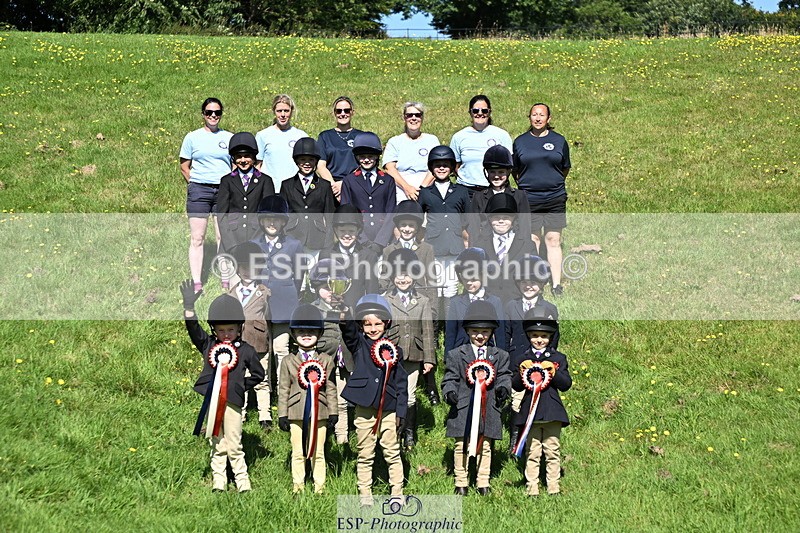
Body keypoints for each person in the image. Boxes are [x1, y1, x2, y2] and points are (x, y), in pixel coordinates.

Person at [181, 283, 264, 493]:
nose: (226, 334)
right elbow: (194, 331)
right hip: (213, 400)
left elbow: (258, 374)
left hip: (234, 403)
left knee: (234, 443)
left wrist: (241, 386)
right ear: (214, 330)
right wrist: (189, 308)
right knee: (216, 442)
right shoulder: (209, 345)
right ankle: (219, 480)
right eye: (221, 330)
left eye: (230, 330)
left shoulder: (246, 350)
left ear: (239, 328)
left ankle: (242, 480)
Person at [339, 294, 408, 507]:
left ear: (386, 323)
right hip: (364, 408)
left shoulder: (395, 351)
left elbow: (401, 383)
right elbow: (348, 332)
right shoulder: (359, 344)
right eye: (367, 324)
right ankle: (365, 494)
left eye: (378, 323)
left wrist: (401, 412)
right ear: (361, 325)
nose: (373, 328)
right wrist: (344, 314)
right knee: (365, 452)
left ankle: (397, 492)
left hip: (388, 408)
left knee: (392, 451)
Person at [442, 300, 511, 496]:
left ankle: (483, 482)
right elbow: (450, 377)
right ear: (467, 331)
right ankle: (461, 481)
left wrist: (503, 389)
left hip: (488, 408)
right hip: (463, 408)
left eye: (485, 332)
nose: (480, 336)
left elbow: (504, 375)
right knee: (460, 446)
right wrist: (449, 392)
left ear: (492, 333)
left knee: (486, 446)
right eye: (474, 332)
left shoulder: (500, 355)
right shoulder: (456, 354)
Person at [380, 200, 440, 405]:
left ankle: (431, 386)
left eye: (411, 225)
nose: (407, 229)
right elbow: (385, 279)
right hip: (398, 301)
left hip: (420, 302)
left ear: (417, 228)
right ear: (397, 227)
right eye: (403, 225)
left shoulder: (426, 249)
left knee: (426, 342)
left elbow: (431, 281)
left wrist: (432, 309)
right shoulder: (389, 250)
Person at [512, 103, 571, 295]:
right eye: (534, 115)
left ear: (549, 118)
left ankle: (556, 285)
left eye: (542, 115)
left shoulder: (559, 140)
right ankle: (535, 281)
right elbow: (516, 170)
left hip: (554, 197)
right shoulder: (520, 142)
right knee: (533, 239)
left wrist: (551, 183)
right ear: (529, 118)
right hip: (529, 199)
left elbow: (565, 168)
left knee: (553, 239)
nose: (538, 118)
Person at [278, 304, 337, 495]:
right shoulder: (288, 361)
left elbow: (331, 388)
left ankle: (320, 486)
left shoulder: (326, 360)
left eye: (311, 331)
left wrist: (334, 412)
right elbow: (284, 388)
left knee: (318, 451)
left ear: (319, 334)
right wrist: (282, 414)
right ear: (294, 334)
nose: (306, 335)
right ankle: (298, 485)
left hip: (320, 411)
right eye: (301, 331)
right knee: (297, 450)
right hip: (295, 411)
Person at [503, 254, 559, 453]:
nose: (529, 286)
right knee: (517, 403)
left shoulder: (549, 308)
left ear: (542, 284)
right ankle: (515, 439)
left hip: (541, 366)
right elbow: (504, 335)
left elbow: (554, 340)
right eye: (524, 282)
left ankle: (535, 438)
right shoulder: (510, 306)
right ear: (518, 283)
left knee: (535, 401)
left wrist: (549, 362)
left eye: (534, 282)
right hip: (517, 363)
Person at [511, 314, 571, 496]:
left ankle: (554, 487)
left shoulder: (558, 358)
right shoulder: (522, 358)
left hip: (552, 412)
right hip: (530, 413)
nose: (539, 339)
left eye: (544, 336)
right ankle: (532, 487)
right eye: (535, 335)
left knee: (552, 450)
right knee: (533, 452)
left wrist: (554, 372)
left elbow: (566, 384)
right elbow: (515, 385)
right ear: (528, 336)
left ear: (551, 337)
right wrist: (521, 373)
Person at [251, 195, 305, 396]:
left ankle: (284, 395)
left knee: (281, 350)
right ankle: (263, 397)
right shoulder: (253, 244)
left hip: (284, 303)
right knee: (262, 352)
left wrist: (289, 290)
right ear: (261, 221)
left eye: (276, 219)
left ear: (283, 221)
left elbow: (299, 275)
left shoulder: (294, 245)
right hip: (260, 306)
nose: (272, 223)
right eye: (268, 219)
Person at [382, 248, 435, 448]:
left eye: (407, 276)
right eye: (398, 276)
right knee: (394, 393)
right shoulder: (386, 299)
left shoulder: (423, 301)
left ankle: (409, 433)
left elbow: (427, 331)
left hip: (414, 354)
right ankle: (394, 431)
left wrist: (429, 358)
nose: (403, 280)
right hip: (391, 354)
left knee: (410, 394)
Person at [180, 97, 233, 292]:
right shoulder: (192, 137)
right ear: (203, 114)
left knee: (223, 236)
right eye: (209, 112)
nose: (213, 116)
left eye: (217, 112)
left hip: (223, 191)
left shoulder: (228, 137)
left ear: (221, 114)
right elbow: (184, 166)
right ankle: (197, 282)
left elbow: (235, 165)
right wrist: (196, 184)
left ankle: (225, 278)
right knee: (197, 237)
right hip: (199, 191)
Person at [417, 145, 471, 324]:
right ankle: (433, 328)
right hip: (434, 246)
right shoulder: (425, 193)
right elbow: (419, 220)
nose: (441, 168)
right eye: (438, 165)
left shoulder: (461, 191)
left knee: (451, 287)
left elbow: (467, 220)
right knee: (435, 287)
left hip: (455, 246)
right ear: (431, 167)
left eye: (445, 165)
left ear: (452, 168)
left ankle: (450, 327)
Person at [226, 242, 272, 431]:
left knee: (262, 379)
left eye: (252, 267)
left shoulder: (265, 291)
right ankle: (240, 412)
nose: (247, 271)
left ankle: (265, 415)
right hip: (238, 344)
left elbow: (268, 315)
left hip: (258, 341)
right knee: (240, 377)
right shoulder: (231, 292)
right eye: (243, 267)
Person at [309, 258, 355, 445]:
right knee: (324, 399)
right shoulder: (313, 309)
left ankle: (342, 438)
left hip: (344, 364)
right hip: (323, 362)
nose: (331, 292)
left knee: (342, 401)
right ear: (316, 288)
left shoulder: (347, 308)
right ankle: (321, 436)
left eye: (335, 286)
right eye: (326, 287)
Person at [278, 137, 336, 278]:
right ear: (297, 161)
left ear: (316, 161)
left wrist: (328, 242)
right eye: (303, 160)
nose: (307, 163)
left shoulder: (324, 185)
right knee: (296, 275)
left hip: (316, 236)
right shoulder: (287, 185)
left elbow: (330, 215)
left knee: (315, 274)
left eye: (310, 160)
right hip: (293, 234)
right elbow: (282, 214)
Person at [217, 131, 275, 254]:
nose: (243, 160)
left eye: (247, 156)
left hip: (257, 239)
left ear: (254, 158)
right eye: (238, 156)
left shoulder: (265, 180)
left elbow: (267, 214)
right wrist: (231, 244)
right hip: (232, 239)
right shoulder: (226, 181)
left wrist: (258, 242)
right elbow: (222, 215)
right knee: (229, 271)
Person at [473, 193, 537, 303]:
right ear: (489, 219)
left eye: (506, 217)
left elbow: (535, 274)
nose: (501, 221)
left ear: (513, 219)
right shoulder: (480, 244)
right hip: (488, 302)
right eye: (496, 217)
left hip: (517, 301)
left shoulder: (527, 245)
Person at [317, 204, 381, 312]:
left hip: (356, 314)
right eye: (342, 231)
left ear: (358, 231)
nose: (347, 235)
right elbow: (320, 286)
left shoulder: (369, 256)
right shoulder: (325, 254)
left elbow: (372, 291)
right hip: (331, 313)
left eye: (351, 231)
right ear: (336, 231)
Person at [444, 247, 507, 356]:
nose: (469, 283)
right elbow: (451, 333)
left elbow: (500, 334)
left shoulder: (494, 301)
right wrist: (448, 358)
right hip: (461, 354)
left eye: (473, 279)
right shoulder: (455, 302)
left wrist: (502, 357)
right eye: (465, 279)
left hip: (487, 353)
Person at [449, 94, 513, 199]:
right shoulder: (459, 136)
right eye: (475, 111)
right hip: (466, 190)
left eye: (484, 110)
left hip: (494, 189)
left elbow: (509, 164)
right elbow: (455, 165)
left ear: (489, 112)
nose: (480, 114)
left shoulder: (502, 135)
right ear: (470, 112)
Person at [340, 132, 397, 247]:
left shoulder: (388, 180)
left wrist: (380, 242)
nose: (366, 160)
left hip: (382, 238)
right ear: (357, 157)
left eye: (370, 156)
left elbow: (391, 212)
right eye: (362, 157)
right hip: (359, 238)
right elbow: (347, 211)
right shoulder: (349, 180)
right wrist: (363, 240)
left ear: (377, 156)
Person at [467, 145, 529, 246]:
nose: (496, 176)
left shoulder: (519, 196)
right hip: (487, 247)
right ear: (487, 172)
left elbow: (525, 227)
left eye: (501, 172)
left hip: (513, 247)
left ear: (508, 172)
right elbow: (474, 229)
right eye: (492, 172)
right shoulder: (479, 197)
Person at [382, 102, 440, 202]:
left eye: (417, 115)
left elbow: (437, 166)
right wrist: (407, 188)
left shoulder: (432, 140)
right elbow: (390, 169)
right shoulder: (394, 142)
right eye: (409, 115)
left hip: (427, 186)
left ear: (422, 118)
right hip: (401, 187)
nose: (413, 118)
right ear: (404, 118)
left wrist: (423, 188)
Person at [256, 94, 308, 193]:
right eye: (279, 111)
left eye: (286, 111)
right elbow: (258, 165)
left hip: (295, 190)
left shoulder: (301, 136)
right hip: (270, 189)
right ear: (274, 112)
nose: (283, 115)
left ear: (291, 112)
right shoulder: (263, 135)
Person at [317, 96, 364, 202]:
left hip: (356, 185)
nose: (343, 114)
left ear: (352, 112)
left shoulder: (361, 136)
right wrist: (334, 186)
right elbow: (321, 165)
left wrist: (345, 184)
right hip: (331, 187)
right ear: (334, 113)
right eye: (339, 111)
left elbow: (365, 164)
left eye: (346, 110)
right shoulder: (325, 136)